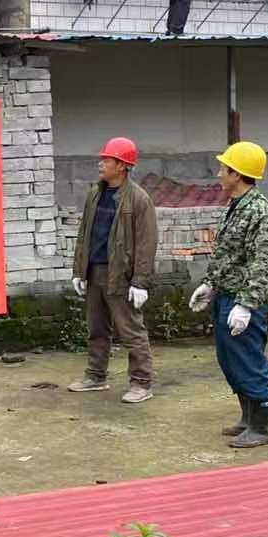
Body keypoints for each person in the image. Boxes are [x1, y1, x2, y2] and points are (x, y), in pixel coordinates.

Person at [187, 141, 268, 449]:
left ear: (237, 174)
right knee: (230, 361)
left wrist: (246, 305)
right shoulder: (236, 206)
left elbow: (261, 263)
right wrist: (210, 284)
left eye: (223, 169)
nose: (219, 174)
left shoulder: (259, 212)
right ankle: (247, 418)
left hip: (243, 300)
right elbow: (228, 255)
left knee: (248, 361)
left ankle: (260, 428)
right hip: (225, 296)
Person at [68, 136, 158, 404]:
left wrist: (140, 282)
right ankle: (96, 376)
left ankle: (141, 383)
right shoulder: (95, 194)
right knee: (96, 328)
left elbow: (146, 243)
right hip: (95, 270)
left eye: (106, 160)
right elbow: (84, 234)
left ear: (121, 165)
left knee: (131, 331)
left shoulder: (139, 200)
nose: (100, 164)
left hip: (120, 275)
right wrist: (79, 270)